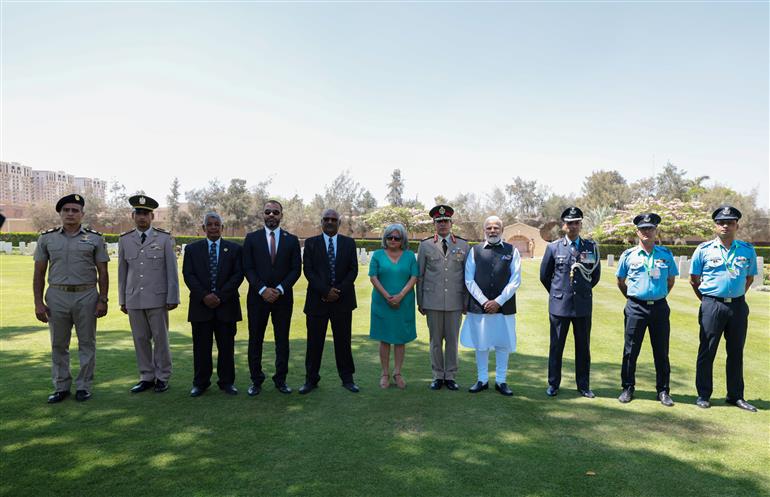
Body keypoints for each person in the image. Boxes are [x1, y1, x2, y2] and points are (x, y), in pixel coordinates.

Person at [33, 194, 109, 403]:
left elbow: (103, 271)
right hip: (57, 295)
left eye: (75, 210)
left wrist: (103, 299)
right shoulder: (47, 238)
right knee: (58, 344)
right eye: (66, 210)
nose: (70, 214)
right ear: (60, 213)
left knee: (87, 343)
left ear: (82, 214)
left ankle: (84, 386)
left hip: (86, 295)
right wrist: (38, 303)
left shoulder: (95, 238)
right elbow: (39, 272)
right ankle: (61, 387)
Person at [690, 205, 758, 412]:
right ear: (715, 226)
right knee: (707, 350)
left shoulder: (747, 250)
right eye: (721, 223)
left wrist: (735, 296)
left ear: (737, 225)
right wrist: (708, 300)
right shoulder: (704, 250)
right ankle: (703, 394)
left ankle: (735, 395)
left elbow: (749, 278)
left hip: (737, 306)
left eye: (729, 222)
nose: (725, 226)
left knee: (736, 351)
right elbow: (694, 280)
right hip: (712, 304)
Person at [118, 194, 180, 394]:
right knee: (140, 339)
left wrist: (173, 297)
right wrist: (122, 299)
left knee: (160, 339)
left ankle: (162, 376)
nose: (142, 217)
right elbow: (122, 272)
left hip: (157, 298)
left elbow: (171, 270)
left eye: (145, 213)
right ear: (132, 216)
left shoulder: (163, 238)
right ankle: (146, 376)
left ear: (152, 216)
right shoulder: (125, 240)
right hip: (134, 297)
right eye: (138, 213)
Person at [615, 213, 677, 406]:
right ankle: (627, 387)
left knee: (661, 350)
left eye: (650, 228)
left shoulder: (665, 255)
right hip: (635, 307)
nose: (646, 232)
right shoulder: (628, 255)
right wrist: (634, 297)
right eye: (643, 229)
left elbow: (670, 280)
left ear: (655, 230)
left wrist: (657, 295)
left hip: (659, 307)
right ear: (637, 232)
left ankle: (663, 390)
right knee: (631, 350)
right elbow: (620, 280)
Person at [539, 206, 601, 398]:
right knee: (556, 346)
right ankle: (553, 384)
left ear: (580, 224)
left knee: (583, 347)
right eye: (570, 223)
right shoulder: (553, 247)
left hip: (582, 306)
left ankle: (583, 385)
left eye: (577, 223)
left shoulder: (590, 247)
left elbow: (594, 276)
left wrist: (581, 292)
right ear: (564, 225)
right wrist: (559, 293)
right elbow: (545, 276)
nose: (573, 226)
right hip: (559, 306)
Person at [242, 200, 301, 396]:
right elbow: (248, 268)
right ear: (263, 214)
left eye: (276, 212)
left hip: (282, 299)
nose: (271, 215)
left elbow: (295, 270)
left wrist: (279, 289)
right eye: (268, 211)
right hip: (257, 299)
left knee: (282, 340)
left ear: (281, 215)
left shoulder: (291, 240)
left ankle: (281, 380)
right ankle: (256, 380)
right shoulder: (251, 238)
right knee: (255, 340)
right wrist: (262, 290)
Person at [182, 212, 244, 397]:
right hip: (201, 307)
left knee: (227, 347)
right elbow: (188, 275)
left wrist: (219, 296)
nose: (214, 227)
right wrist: (205, 296)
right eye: (210, 224)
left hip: (226, 306)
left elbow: (238, 275)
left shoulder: (234, 249)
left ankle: (226, 382)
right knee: (201, 348)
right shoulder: (193, 250)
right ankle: (200, 383)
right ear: (203, 228)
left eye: (217, 224)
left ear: (222, 228)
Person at [299, 209, 359, 394]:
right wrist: (325, 291)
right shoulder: (311, 243)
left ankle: (347, 379)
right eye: (327, 219)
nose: (330, 222)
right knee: (314, 343)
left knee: (343, 342)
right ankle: (311, 380)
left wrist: (337, 291)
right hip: (317, 301)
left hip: (342, 301)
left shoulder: (348, 243)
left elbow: (353, 270)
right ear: (321, 222)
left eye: (334, 219)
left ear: (339, 223)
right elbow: (308, 271)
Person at [460, 216, 521, 397]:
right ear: (484, 230)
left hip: (504, 307)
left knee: (503, 344)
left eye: (496, 227)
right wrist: (485, 301)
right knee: (482, 343)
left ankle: (501, 381)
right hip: (480, 307)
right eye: (489, 227)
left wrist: (498, 301)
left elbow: (515, 279)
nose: (492, 230)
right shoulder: (475, 251)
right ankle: (482, 379)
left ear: (502, 230)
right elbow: (469, 279)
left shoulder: (512, 250)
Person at [417, 204, 469, 391]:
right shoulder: (425, 245)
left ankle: (451, 375)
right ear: (434, 224)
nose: (443, 224)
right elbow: (420, 276)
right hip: (432, 301)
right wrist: (420, 301)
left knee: (453, 341)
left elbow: (467, 277)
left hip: (455, 302)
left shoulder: (463, 245)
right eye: (439, 221)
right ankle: (438, 375)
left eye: (446, 221)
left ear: (451, 222)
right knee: (435, 341)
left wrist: (466, 302)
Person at [369, 223, 418, 389]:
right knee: (384, 339)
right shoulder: (377, 255)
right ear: (385, 238)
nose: (393, 240)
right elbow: (373, 277)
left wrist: (400, 296)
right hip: (382, 302)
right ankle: (384, 374)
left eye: (397, 237)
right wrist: (388, 297)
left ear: (402, 239)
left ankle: (397, 373)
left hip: (404, 303)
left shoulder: (410, 256)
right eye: (389, 237)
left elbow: (414, 277)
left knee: (400, 339)